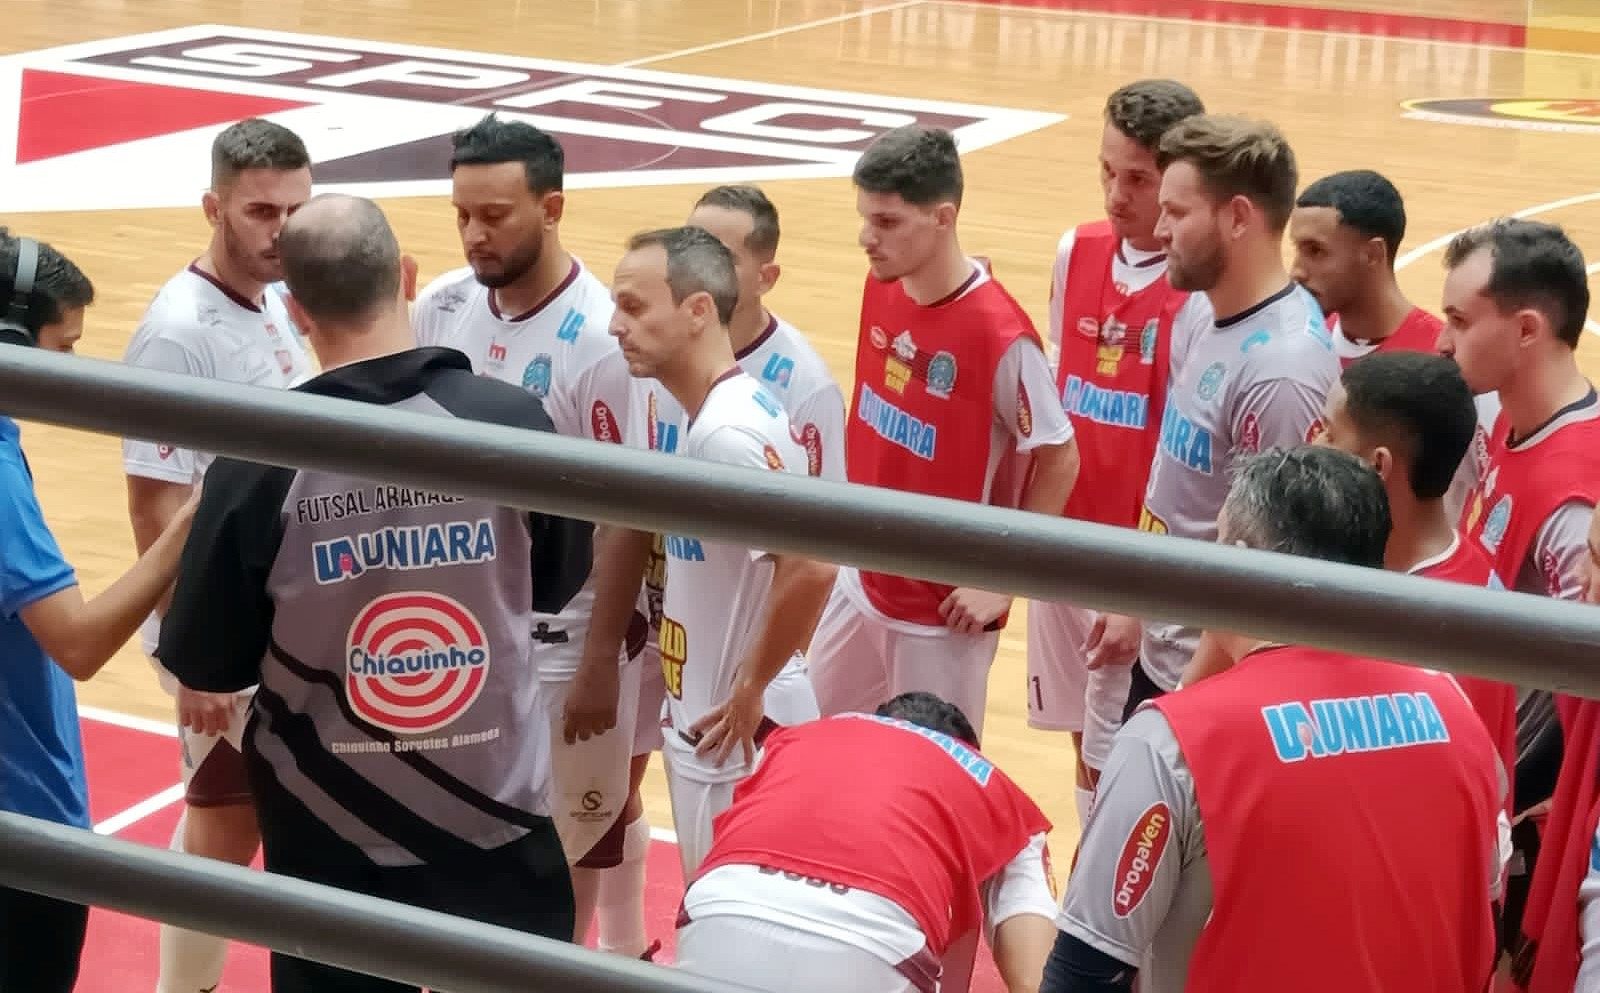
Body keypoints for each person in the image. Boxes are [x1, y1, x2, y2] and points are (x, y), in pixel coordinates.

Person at [158, 194, 589, 993]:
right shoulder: (515, 424)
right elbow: (558, 583)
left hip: (328, 837)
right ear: (408, 277)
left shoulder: (257, 456)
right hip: (498, 822)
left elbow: (209, 661)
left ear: (294, 307)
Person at [1042, 446, 1505, 993]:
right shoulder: (1454, 709)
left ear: (1239, 558)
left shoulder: (1173, 741)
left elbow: (1084, 973)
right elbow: (1486, 917)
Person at [409, 113, 640, 948]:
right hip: (460, 627)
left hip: (563, 636)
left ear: (553, 207)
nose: (475, 233)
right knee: (464, 831)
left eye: (496, 214)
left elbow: (627, 516)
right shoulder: (438, 305)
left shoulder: (603, 337)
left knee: (569, 846)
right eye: (463, 213)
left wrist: (598, 662)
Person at [604, 183, 849, 957]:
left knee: (727, 940)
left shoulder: (724, 437)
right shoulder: (727, 409)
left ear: (699, 311)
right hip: (722, 718)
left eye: (636, 307)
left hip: (731, 734)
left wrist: (747, 688)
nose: (617, 326)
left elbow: (811, 566)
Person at [119, 116, 315, 993]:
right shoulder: (175, 332)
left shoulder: (277, 296)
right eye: (262, 210)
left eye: (296, 210)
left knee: (226, 817)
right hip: (224, 631)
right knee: (239, 823)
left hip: (275, 614)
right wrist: (189, 654)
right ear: (213, 207)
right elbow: (154, 505)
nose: (283, 230)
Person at [806, 124, 1080, 737]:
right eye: (864, 218)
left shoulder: (1000, 336)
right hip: (862, 578)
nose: (866, 238)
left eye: (887, 222)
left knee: (930, 777)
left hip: (939, 616)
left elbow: (1060, 455)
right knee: (805, 745)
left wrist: (1006, 579)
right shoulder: (883, 285)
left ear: (943, 217)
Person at [1089, 114, 1340, 741]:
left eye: (1177, 212)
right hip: (1165, 650)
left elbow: (1270, 575)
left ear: (1236, 218)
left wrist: (1183, 701)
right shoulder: (1204, 311)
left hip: (1210, 688)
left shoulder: (1281, 374)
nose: (1159, 227)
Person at [0, 230, 199, 992]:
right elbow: (77, 643)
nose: (72, 371)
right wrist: (189, 524)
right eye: (64, 347)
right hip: (26, 821)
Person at [1029, 79, 1204, 828]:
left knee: (1119, 754)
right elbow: (1060, 389)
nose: (1115, 193)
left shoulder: (1196, 290)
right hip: (1067, 540)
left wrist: (1143, 586)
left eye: (1137, 178)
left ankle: (1101, 910)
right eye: (1107, 171)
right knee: (1079, 741)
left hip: (1134, 564)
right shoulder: (1077, 250)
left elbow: (1189, 456)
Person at [1436, 218, 1600, 993]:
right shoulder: (1506, 421)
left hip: (1534, 829)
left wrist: (1534, 848)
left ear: (1526, 328)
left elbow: (1586, 705)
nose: (1444, 339)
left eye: (1461, 320)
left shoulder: (1575, 503)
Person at [676, 692, 1057, 993]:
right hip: (872, 951)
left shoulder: (791, 739)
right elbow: (1034, 979)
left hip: (717, 914)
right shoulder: (998, 791)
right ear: (970, 750)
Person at [1309, 352, 1517, 800]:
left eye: (1328, 431)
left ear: (1377, 466)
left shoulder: (1448, 630)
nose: (1314, 444)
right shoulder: (1380, 563)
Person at [1288, 169, 1443, 363]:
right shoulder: (1298, 342)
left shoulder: (1441, 357)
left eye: (1315, 250)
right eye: (1298, 249)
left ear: (1372, 254)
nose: (1297, 272)